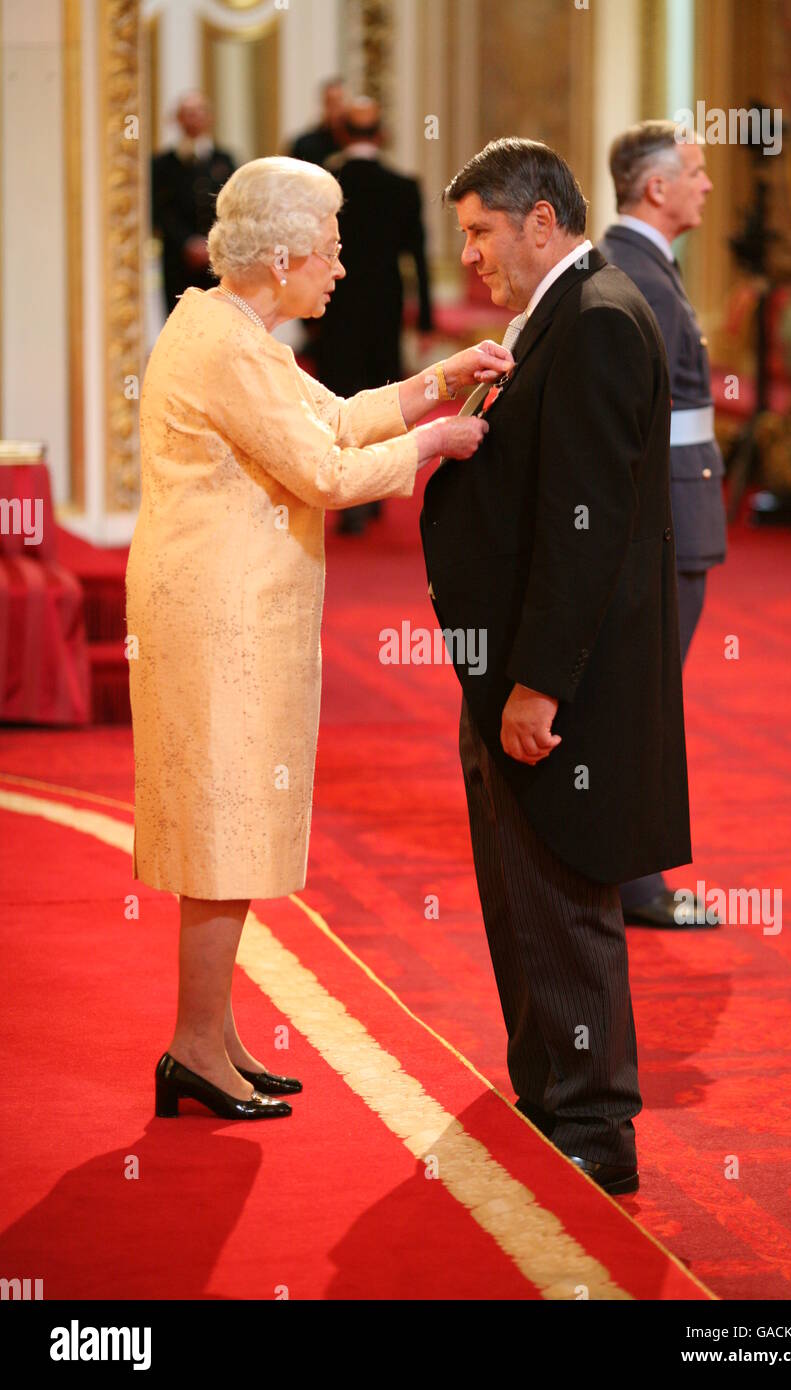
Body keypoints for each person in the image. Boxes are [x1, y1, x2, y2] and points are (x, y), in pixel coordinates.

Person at [126, 156, 511, 1122]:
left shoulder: (236, 329)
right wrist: (437, 442)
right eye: (332, 251)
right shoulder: (227, 344)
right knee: (220, 832)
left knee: (237, 825)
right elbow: (324, 472)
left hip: (233, 611)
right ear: (286, 253)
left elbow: (335, 419)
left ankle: (211, 1038)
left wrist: (442, 379)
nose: (340, 268)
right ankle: (193, 1047)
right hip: (217, 617)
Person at [420, 139, 691, 1196]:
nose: (473, 257)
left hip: (555, 686)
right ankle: (545, 1087)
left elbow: (588, 531)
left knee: (564, 893)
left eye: (482, 233)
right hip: (511, 670)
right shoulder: (562, 315)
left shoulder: (596, 319)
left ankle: (593, 1123)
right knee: (520, 891)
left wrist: (537, 682)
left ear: (543, 222)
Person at [599, 121, 726, 930]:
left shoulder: (644, 264)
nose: (707, 185)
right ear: (657, 188)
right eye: (696, 172)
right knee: (640, 706)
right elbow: (629, 426)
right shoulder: (637, 273)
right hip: (666, 523)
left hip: (679, 513)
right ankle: (634, 883)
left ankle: (628, 874)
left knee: (643, 702)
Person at [316, 96, 434, 535]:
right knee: (383, 394)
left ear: (343, 133)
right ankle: (378, 486)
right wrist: (423, 319)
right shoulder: (403, 185)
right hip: (385, 305)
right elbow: (418, 257)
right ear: (381, 134)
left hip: (335, 304)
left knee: (341, 396)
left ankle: (351, 501)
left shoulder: (327, 184)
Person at [151, 91, 236, 315]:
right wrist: (187, 243)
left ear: (209, 117)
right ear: (178, 119)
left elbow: (233, 208)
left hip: (216, 259)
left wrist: (211, 242)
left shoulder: (225, 160)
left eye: (199, 112)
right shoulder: (162, 164)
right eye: (187, 113)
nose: (194, 118)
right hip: (178, 260)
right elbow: (160, 210)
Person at [287, 77, 346, 167]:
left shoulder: (358, 142)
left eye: (339, 101)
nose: (334, 108)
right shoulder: (304, 144)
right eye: (329, 102)